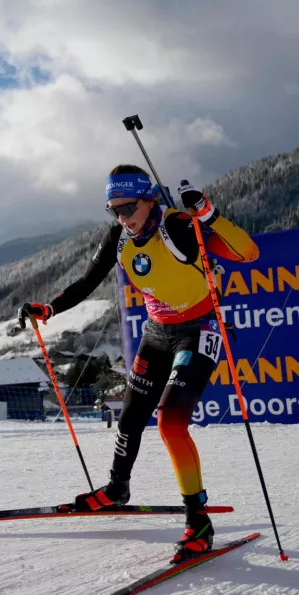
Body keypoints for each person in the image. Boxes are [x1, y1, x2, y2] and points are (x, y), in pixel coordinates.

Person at [21, 165, 259, 560]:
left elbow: (248, 252)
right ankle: (117, 489)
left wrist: (207, 213)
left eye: (128, 207)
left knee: (170, 421)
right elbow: (85, 281)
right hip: (157, 332)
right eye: (113, 209)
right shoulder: (119, 236)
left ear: (149, 199)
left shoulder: (180, 226)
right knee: (131, 416)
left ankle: (198, 520)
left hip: (199, 328)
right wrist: (48, 308)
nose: (122, 217)